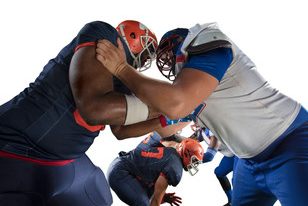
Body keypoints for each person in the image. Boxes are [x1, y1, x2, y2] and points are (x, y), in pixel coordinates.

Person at [95, 22, 308, 205]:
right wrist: (113, 119)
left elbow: (174, 104)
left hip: (291, 145)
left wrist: (121, 68)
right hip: (249, 163)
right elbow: (159, 127)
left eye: (171, 53)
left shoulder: (207, 42)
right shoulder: (188, 94)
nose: (168, 63)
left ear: (185, 45)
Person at [0, 20, 179, 206]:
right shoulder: (103, 34)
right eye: (147, 51)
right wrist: (166, 105)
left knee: (99, 196)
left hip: (65, 160)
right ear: (134, 37)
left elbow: (120, 131)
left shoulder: (124, 77)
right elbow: (94, 108)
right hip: (20, 149)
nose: (145, 60)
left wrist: (165, 118)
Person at [107, 131, 204, 206]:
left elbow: (150, 174)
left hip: (123, 165)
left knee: (149, 193)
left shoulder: (168, 146)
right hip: (121, 172)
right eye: (194, 161)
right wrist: (158, 198)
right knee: (143, 203)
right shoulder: (174, 166)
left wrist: (162, 198)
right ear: (186, 154)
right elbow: (155, 201)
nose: (194, 165)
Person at [193, 126, 238, 206]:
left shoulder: (212, 129)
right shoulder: (201, 131)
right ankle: (231, 200)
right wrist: (172, 138)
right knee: (219, 173)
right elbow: (186, 142)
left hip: (239, 154)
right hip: (230, 156)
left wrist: (191, 160)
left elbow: (208, 157)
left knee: (237, 182)